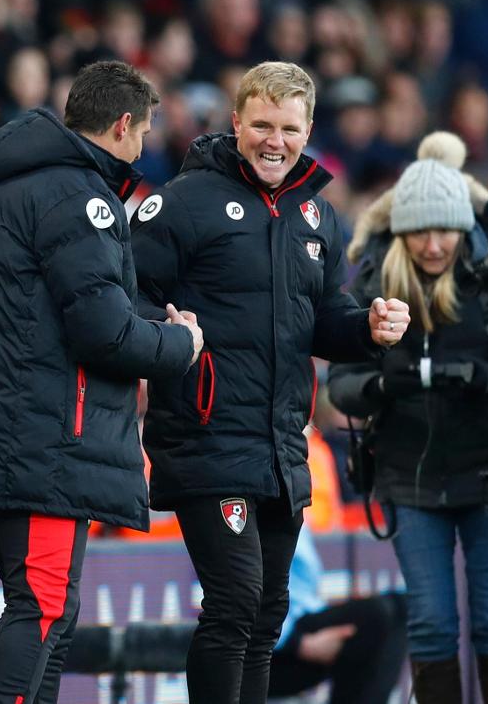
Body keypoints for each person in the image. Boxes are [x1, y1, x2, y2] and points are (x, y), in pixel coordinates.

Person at [0, 60, 203, 704]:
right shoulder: (79, 197)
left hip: (3, 430)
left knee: (48, 609)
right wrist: (180, 342)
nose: (143, 149)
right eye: (143, 133)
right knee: (45, 608)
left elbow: (41, 312)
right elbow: (102, 331)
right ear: (121, 125)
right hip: (41, 440)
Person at [129, 61, 411, 704]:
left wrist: (366, 325)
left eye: (288, 127)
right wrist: (164, 332)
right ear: (236, 123)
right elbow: (124, 291)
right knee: (232, 606)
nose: (274, 140)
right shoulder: (181, 201)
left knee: (265, 615)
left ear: (308, 128)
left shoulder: (317, 216)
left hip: (281, 447)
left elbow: (325, 321)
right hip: (206, 436)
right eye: (261, 124)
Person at [327, 131, 488, 704]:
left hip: (487, 476)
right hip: (408, 477)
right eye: (420, 230)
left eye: (444, 229)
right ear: (400, 231)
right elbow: (341, 385)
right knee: (430, 622)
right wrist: (381, 385)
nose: (432, 244)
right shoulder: (373, 285)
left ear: (463, 226)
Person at [268, 531, 409, 704]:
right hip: (268, 648)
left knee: (401, 607)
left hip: (295, 622)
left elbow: (302, 590)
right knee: (374, 616)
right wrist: (297, 643)